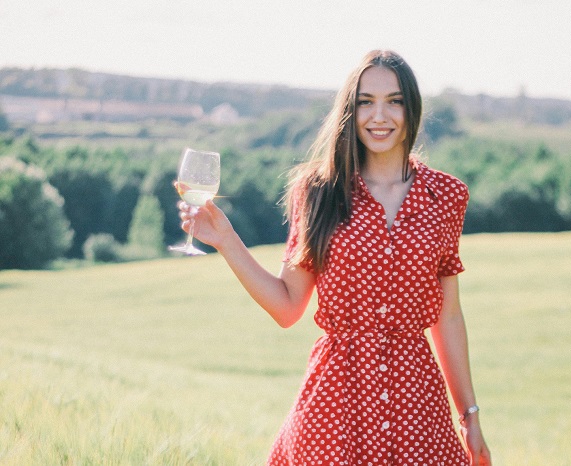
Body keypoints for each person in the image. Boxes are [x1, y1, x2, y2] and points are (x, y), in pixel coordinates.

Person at [177, 50, 491, 465]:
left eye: (393, 101)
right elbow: (287, 306)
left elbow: (447, 315)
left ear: (411, 108)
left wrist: (469, 415)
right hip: (335, 411)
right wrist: (225, 238)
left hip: (420, 411)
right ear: (350, 110)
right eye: (366, 102)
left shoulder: (446, 197)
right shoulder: (319, 191)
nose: (379, 116)